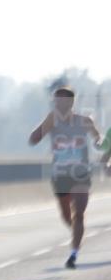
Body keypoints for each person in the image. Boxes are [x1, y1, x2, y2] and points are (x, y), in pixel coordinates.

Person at [28, 86, 106, 269]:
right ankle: (77, 233)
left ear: (71, 102)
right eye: (56, 100)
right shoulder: (52, 120)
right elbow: (33, 139)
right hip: (60, 174)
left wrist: (99, 142)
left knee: (79, 212)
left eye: (63, 100)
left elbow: (98, 140)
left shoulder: (84, 121)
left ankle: (73, 254)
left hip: (80, 173)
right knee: (66, 214)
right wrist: (44, 125)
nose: (59, 103)